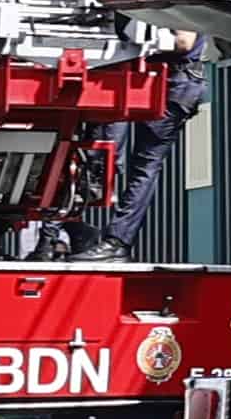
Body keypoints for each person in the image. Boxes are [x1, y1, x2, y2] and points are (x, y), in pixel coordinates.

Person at [87, 32, 204, 257]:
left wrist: (136, 39)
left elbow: (183, 42)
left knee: (143, 164)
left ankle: (117, 241)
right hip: (145, 78)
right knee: (104, 156)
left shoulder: (181, 1)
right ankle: (79, 231)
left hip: (173, 83)